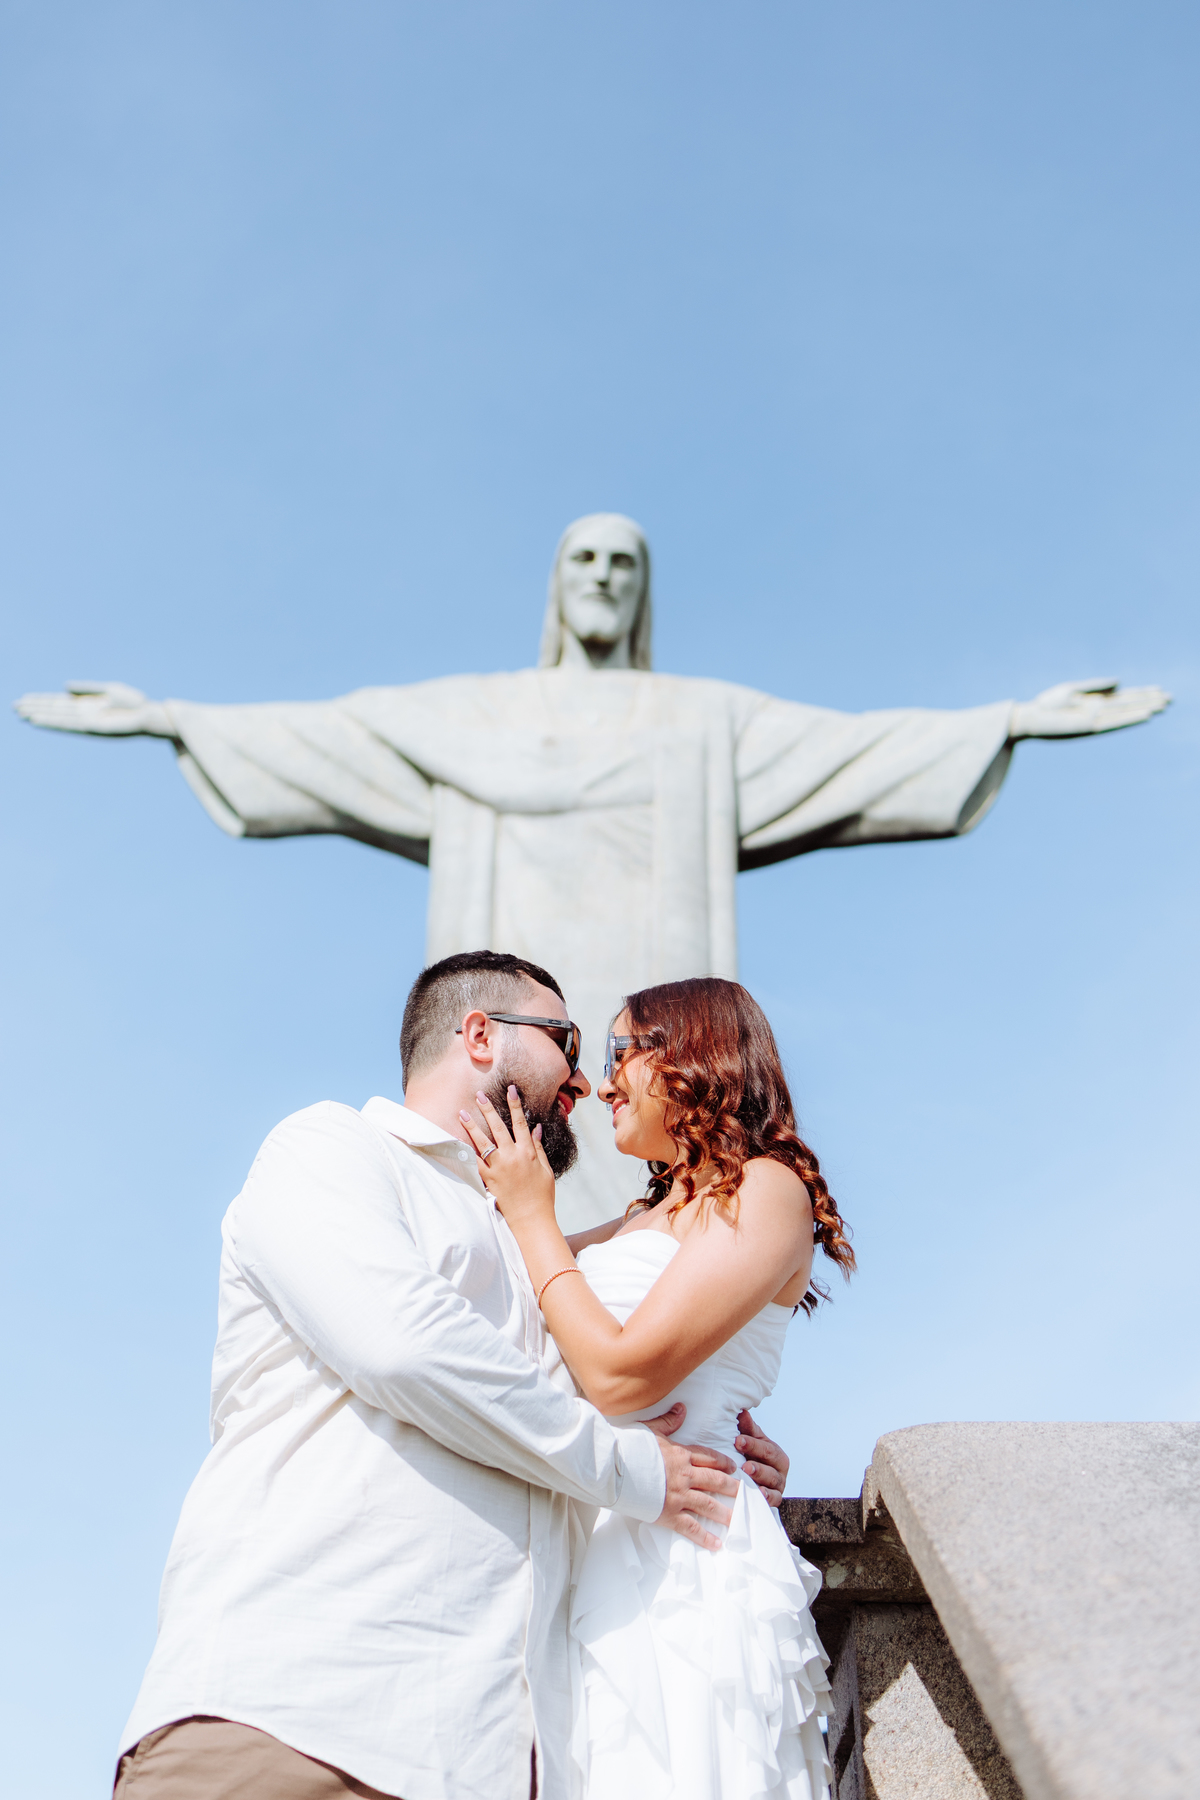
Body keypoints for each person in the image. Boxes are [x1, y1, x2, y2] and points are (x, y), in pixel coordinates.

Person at [14, 513, 1170, 1230]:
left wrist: (1007, 721)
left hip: (651, 998)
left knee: (641, 1176)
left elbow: (850, 749)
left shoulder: (699, 722)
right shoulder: (479, 715)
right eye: (585, 559)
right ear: (559, 586)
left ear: (643, 587)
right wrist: (174, 720)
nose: (605, 576)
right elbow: (338, 738)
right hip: (515, 1009)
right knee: (495, 1175)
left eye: (626, 560)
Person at [113, 950, 792, 1800]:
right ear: (479, 1035)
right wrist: (636, 1470)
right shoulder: (335, 1150)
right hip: (294, 1720)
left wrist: (717, 1434)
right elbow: (407, 1347)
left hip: (485, 1760)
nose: (585, 1081)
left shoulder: (526, 1251)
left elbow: (602, 1377)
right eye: (568, 1043)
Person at [461, 975, 857, 1800]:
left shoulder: (766, 1189)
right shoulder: (642, 1218)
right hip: (592, 1538)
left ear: (691, 1054)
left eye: (619, 1052)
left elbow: (615, 1374)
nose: (603, 1081)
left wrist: (536, 1217)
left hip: (685, 1562)